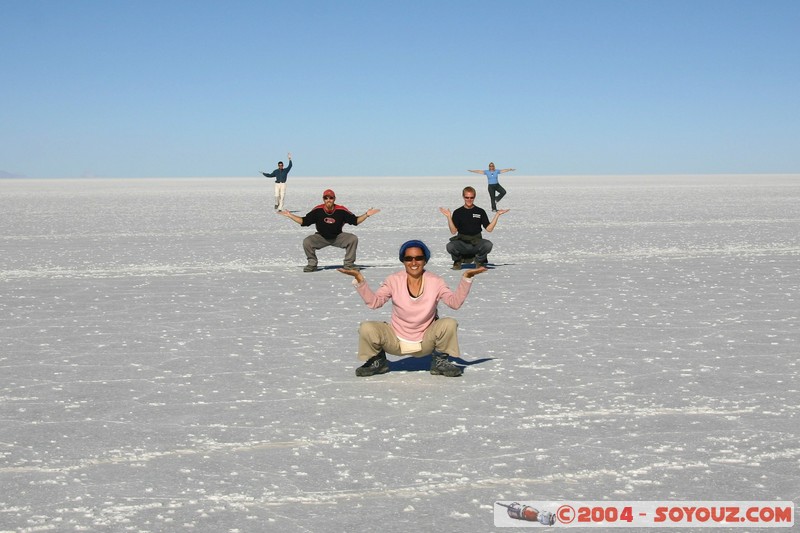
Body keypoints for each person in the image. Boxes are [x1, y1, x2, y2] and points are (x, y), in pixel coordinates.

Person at [338, 240, 487, 377]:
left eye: (419, 258)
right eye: (408, 258)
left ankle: (440, 361)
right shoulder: (393, 280)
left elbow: (454, 303)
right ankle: (378, 361)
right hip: (395, 340)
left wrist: (466, 278)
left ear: (425, 260)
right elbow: (374, 302)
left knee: (449, 323)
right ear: (403, 260)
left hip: (425, 342)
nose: (413, 262)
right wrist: (359, 280)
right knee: (367, 327)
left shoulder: (435, 281)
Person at [279, 189, 380, 272]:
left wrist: (366, 215)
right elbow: (303, 221)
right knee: (307, 241)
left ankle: (349, 264)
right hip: (321, 237)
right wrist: (290, 215)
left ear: (334, 199)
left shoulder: (341, 210)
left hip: (337, 237)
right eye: (326, 198)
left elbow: (356, 221)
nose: (328, 200)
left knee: (352, 239)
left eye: (331, 198)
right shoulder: (317, 210)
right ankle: (312, 264)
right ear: (323, 199)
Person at [440, 186, 509, 270]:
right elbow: (453, 231)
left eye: (471, 197)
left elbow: (489, 229)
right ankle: (457, 261)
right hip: (462, 242)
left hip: (476, 242)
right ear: (463, 197)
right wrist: (449, 217)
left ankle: (479, 261)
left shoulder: (480, 211)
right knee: (450, 246)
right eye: (467, 197)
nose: (469, 200)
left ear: (474, 197)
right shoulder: (458, 212)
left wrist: (497, 215)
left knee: (488, 245)